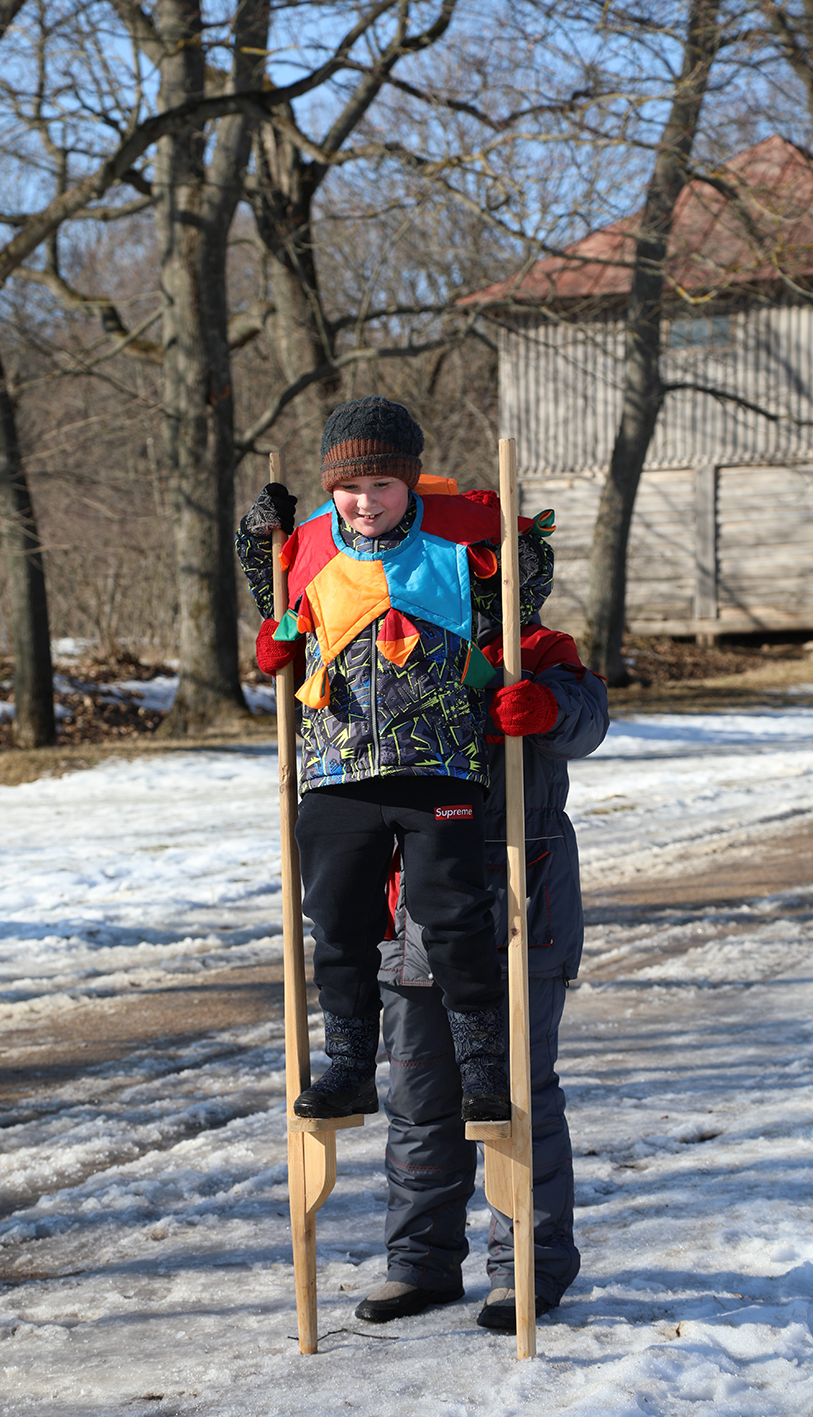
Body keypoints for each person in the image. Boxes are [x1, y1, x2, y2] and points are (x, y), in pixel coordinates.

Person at [237, 395, 538, 1124]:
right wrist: (255, 534)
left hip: (440, 764)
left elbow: (522, 606)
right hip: (337, 772)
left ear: (409, 482)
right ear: (329, 487)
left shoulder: (459, 546)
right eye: (348, 486)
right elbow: (268, 601)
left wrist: (515, 537)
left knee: (455, 920)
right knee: (338, 922)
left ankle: (482, 1069)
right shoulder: (304, 547)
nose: (364, 501)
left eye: (381, 485)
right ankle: (347, 1066)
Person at [353, 522, 609, 1332]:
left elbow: (586, 716)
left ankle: (524, 1267)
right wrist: (295, 655)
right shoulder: (390, 636)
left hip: (516, 906)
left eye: (496, 572)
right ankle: (420, 1262)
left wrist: (545, 707)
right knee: (420, 1094)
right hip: (415, 911)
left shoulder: (541, 649)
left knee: (515, 1092)